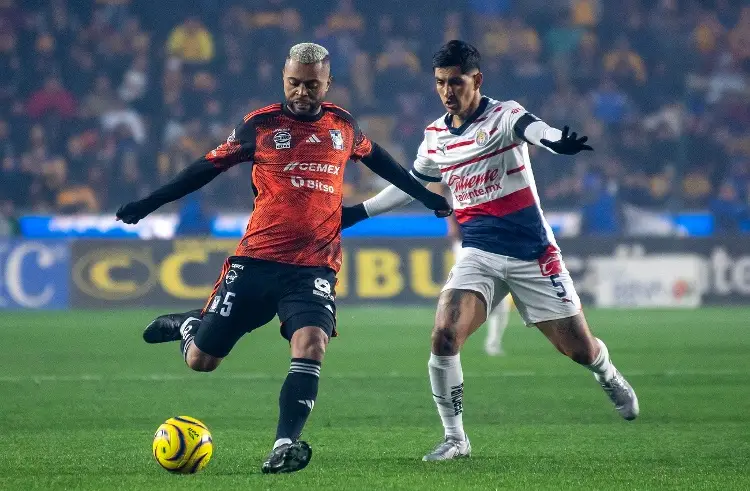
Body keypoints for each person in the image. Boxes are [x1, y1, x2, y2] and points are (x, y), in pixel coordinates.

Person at [115, 43, 451, 474]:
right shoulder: (260, 125)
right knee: (203, 360)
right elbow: (204, 168)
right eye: (294, 82)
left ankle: (284, 444)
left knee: (312, 342)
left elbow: (385, 164)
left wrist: (426, 197)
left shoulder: (342, 125)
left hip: (314, 266)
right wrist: (148, 203)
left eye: (311, 84)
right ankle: (189, 324)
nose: (301, 92)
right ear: (284, 77)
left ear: (327, 83)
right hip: (256, 261)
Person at [342, 40, 639, 461]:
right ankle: (455, 438)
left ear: (477, 80)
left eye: (456, 82)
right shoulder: (435, 136)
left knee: (580, 350)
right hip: (478, 252)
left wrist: (557, 141)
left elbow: (536, 130)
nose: (448, 91)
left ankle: (607, 374)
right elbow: (412, 185)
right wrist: (356, 213)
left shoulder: (504, 115)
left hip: (532, 253)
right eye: (440, 83)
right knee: (444, 334)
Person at [447, 209, 510, 356]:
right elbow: (443, 197)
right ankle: (451, 338)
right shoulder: (464, 192)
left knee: (500, 300)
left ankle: (493, 344)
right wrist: (452, 224)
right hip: (468, 246)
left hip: (495, 247)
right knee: (464, 296)